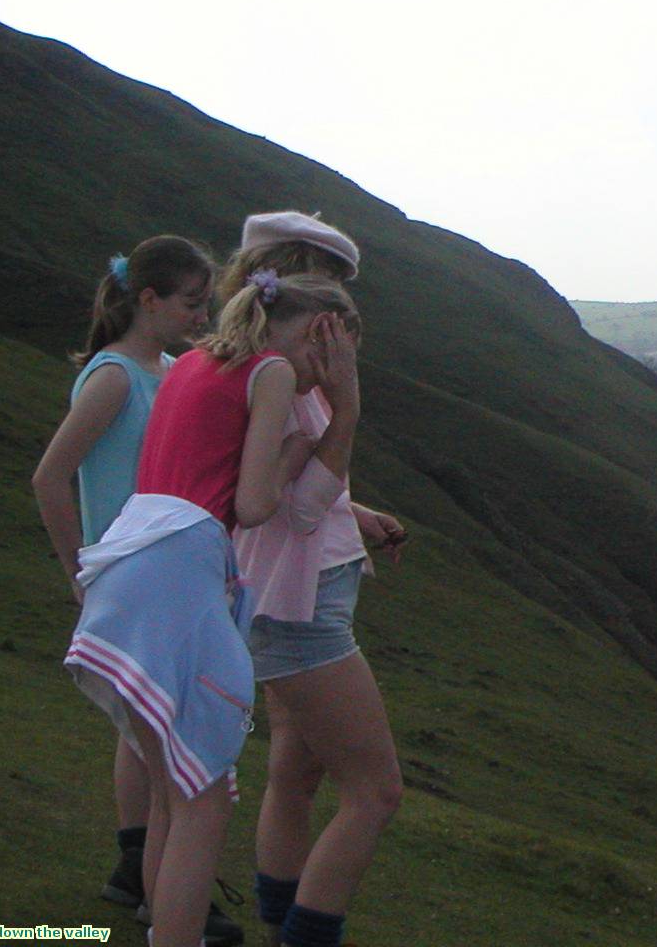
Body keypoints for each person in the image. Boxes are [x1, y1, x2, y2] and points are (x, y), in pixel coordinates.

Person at [63, 269, 361, 947]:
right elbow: (255, 507)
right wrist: (296, 449)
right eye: (337, 355)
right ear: (322, 333)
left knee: (176, 783)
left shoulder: (194, 360)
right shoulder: (272, 374)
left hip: (130, 557)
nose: (333, 374)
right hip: (181, 567)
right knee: (204, 795)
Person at [31, 236, 243, 946]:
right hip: (138, 571)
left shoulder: (175, 370)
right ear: (147, 299)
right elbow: (50, 476)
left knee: (155, 730)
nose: (201, 315)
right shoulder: (117, 377)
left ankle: (151, 878)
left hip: (174, 574)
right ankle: (166, 894)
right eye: (189, 302)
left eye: (205, 302)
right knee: (166, 735)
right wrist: (80, 573)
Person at [220, 212, 405, 947]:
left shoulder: (264, 366)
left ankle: (278, 928)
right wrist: (349, 404)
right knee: (376, 793)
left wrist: (350, 510)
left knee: (294, 780)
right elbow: (289, 507)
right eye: (333, 284)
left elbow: (290, 482)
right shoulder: (293, 378)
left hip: (286, 592)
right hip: (301, 606)